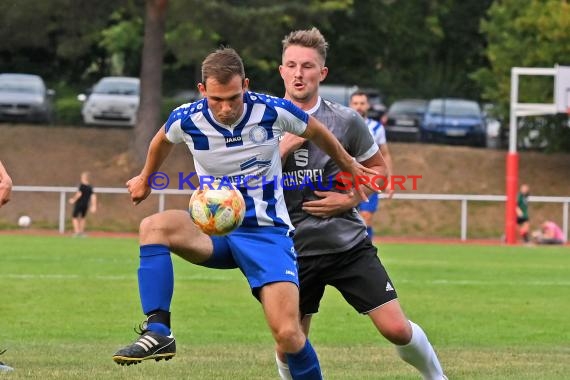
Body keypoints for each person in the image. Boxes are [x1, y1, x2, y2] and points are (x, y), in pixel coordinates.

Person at [112, 47, 376, 380]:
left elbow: (317, 130)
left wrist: (348, 163)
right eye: (216, 99)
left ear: (246, 86)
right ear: (202, 91)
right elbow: (161, 141)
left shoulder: (271, 110)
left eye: (234, 98)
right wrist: (145, 178)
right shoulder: (187, 117)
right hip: (215, 231)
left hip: (267, 233)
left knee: (289, 335)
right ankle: (160, 331)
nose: (225, 108)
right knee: (154, 226)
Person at [276, 28, 447, 380]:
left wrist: (352, 198)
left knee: (396, 329)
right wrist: (285, 146)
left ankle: (438, 378)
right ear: (281, 71)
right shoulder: (262, 121)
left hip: (346, 244)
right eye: (291, 65)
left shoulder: (346, 120)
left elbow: (379, 171)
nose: (298, 73)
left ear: (321, 73)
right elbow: (250, 180)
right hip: (290, 250)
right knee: (289, 342)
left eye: (307, 66)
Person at [349, 91, 394, 240]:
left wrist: (389, 180)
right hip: (345, 179)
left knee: (366, 217)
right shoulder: (343, 125)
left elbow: (385, 154)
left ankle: (366, 253)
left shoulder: (377, 128)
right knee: (346, 220)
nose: (359, 107)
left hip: (369, 178)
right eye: (355, 103)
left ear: (367, 105)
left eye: (362, 103)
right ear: (350, 105)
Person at [68, 171, 97, 237]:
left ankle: (77, 232)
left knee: (74, 217)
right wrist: (94, 205)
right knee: (83, 217)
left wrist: (73, 200)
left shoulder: (81, 186)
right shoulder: (90, 187)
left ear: (84, 177)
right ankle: (81, 232)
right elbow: (93, 196)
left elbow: (79, 194)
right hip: (85, 204)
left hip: (79, 204)